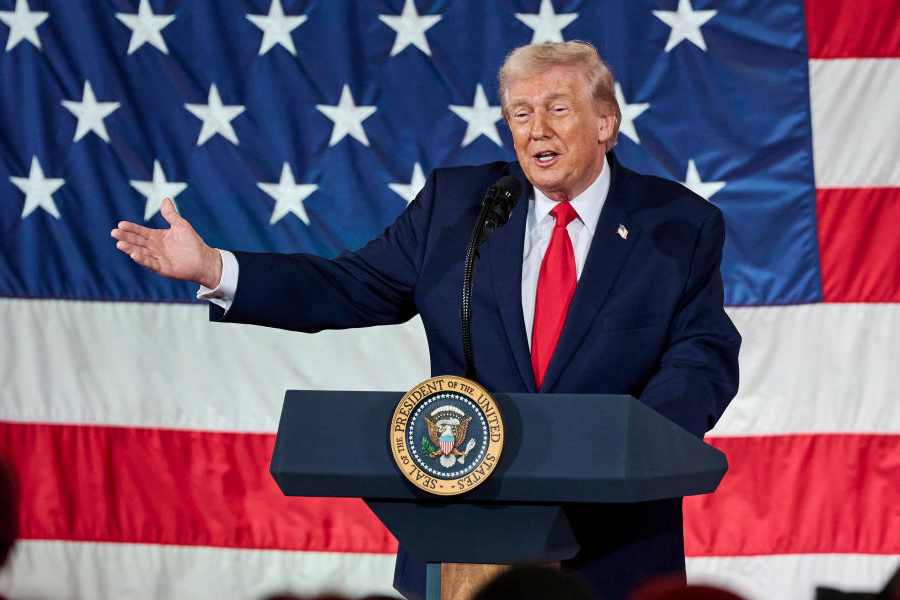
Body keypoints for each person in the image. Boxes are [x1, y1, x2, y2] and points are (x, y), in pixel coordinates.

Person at [111, 41, 740, 600]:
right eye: (519, 114)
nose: (535, 129)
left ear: (605, 122)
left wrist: (630, 442)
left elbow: (702, 353)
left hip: (614, 549)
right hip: (465, 533)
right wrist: (215, 269)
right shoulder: (459, 205)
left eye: (557, 108)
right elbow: (348, 287)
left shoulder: (676, 224)